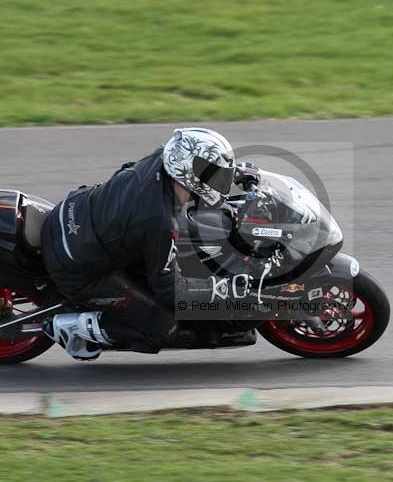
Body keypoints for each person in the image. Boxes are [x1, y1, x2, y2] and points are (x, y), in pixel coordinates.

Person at [40, 127, 252, 360]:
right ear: (189, 172)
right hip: (79, 268)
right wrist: (219, 288)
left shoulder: (163, 158)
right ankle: (74, 328)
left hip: (75, 211)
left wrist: (234, 174)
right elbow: (170, 291)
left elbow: (125, 170)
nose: (219, 181)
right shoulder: (159, 220)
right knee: (162, 327)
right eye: (215, 175)